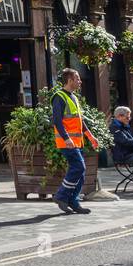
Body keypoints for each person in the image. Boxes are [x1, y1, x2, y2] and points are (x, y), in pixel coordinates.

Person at [51, 68, 97, 215]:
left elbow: (79, 121)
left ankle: (73, 201)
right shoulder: (59, 97)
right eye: (77, 79)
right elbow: (57, 121)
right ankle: (62, 195)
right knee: (79, 167)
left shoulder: (74, 97)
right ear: (70, 80)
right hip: (67, 142)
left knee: (80, 173)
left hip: (77, 142)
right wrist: (66, 138)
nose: (80, 81)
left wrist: (91, 136)